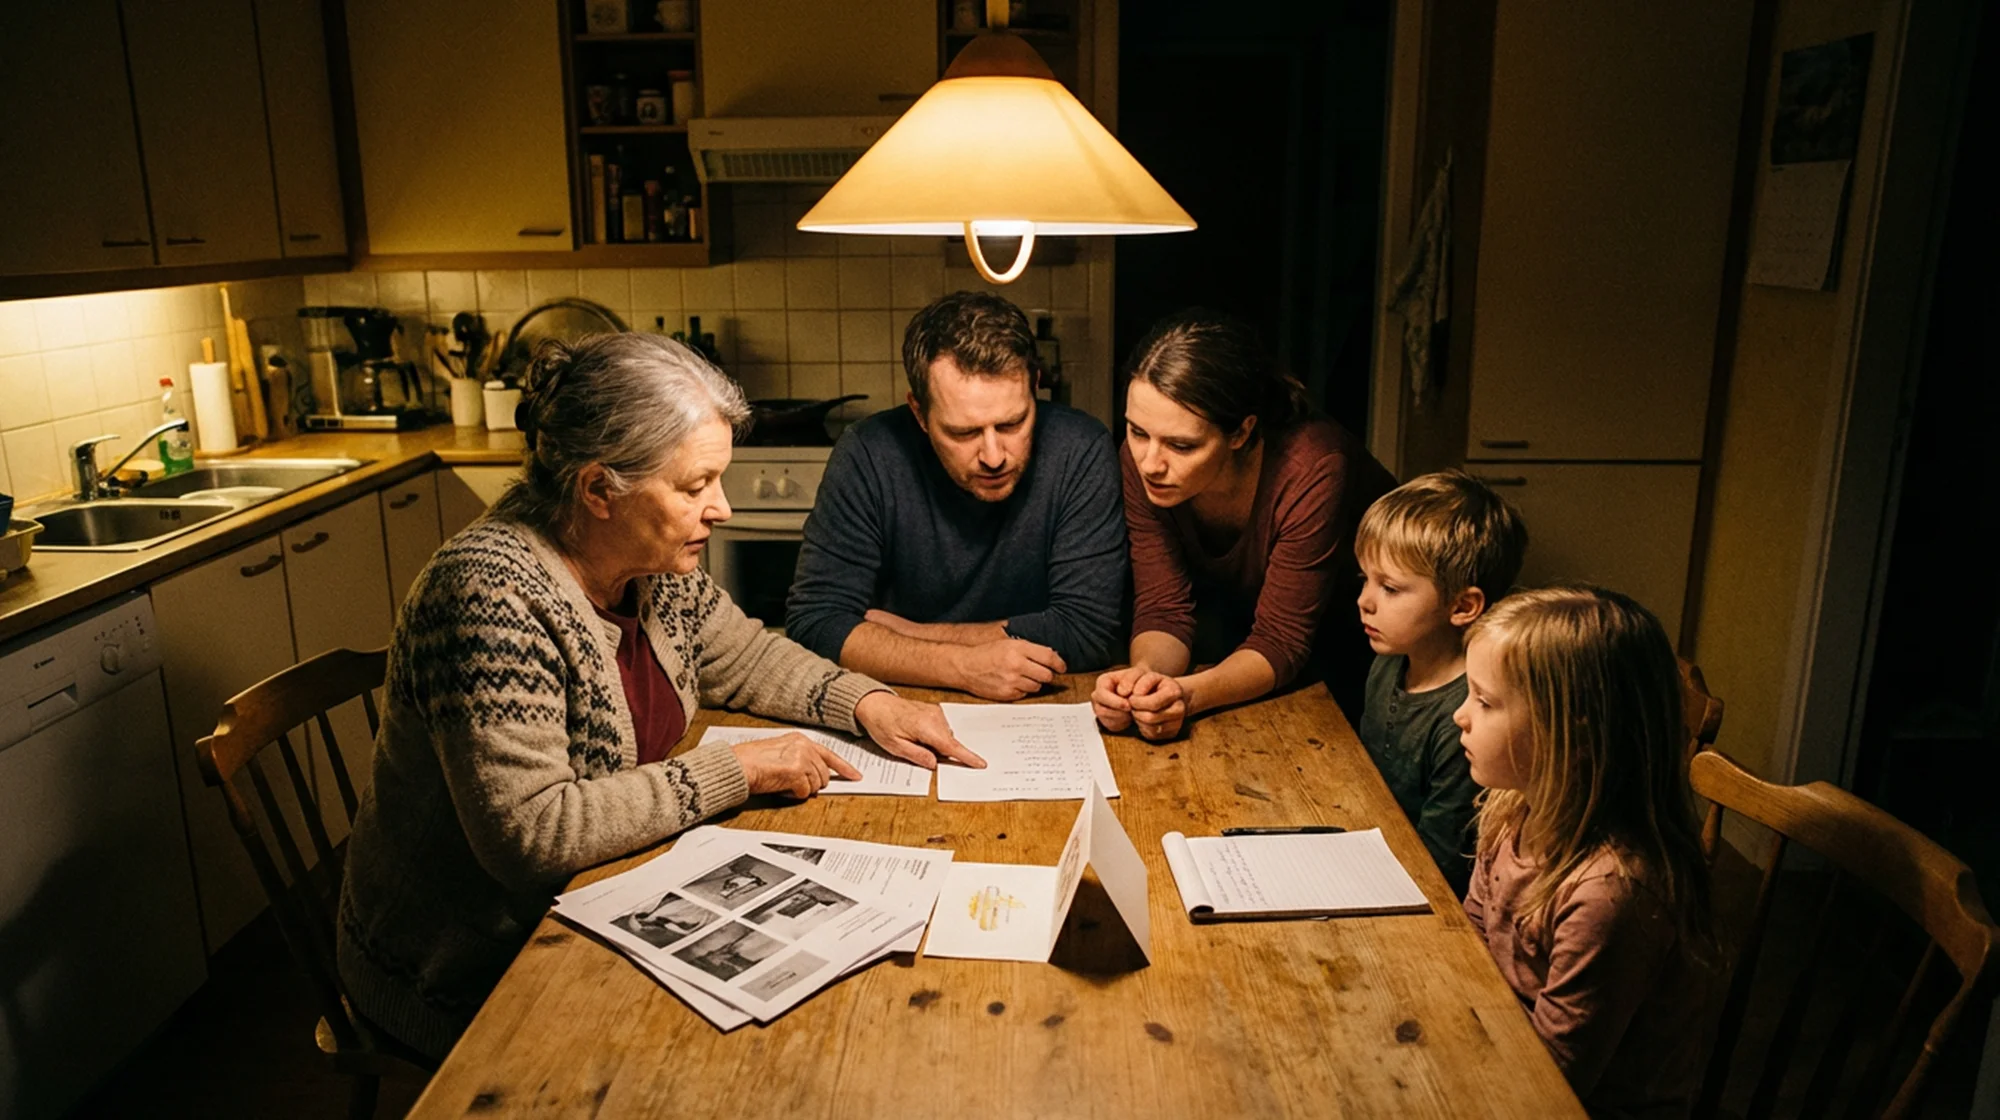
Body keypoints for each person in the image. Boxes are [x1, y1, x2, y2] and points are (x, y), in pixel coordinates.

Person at [337, 333, 983, 1060]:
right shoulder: (491, 595)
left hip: (600, 895)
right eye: (694, 485)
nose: (723, 509)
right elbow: (532, 834)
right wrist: (737, 770)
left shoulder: (651, 563)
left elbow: (746, 656)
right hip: (468, 965)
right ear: (598, 490)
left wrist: (869, 704)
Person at [785, 292, 1127, 700]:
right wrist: (960, 667)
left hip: (1048, 701)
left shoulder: (1081, 448)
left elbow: (1087, 631)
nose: (994, 456)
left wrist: (910, 635)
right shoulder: (868, 453)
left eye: (1013, 423)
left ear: (1036, 387)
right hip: (897, 704)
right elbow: (815, 622)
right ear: (919, 413)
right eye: (963, 432)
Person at [1456, 585, 1715, 1115]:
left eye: (1484, 701)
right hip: (1501, 1051)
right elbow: (1470, 946)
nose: (1461, 715)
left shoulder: (1611, 892)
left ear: (1571, 735)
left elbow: (1552, 1087)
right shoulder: (1511, 808)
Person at [1091, 310, 1396, 739]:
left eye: (1181, 445)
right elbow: (1164, 607)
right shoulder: (1141, 461)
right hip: (1254, 643)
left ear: (1241, 432)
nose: (1149, 463)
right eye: (1137, 432)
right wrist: (1140, 681)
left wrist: (1185, 695)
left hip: (1365, 650)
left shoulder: (1312, 468)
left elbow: (1281, 638)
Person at [1354, 471, 1528, 896]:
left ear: (1462, 605)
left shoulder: (1467, 716)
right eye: (1365, 580)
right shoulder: (1389, 662)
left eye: (1390, 588)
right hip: (1371, 855)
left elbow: (1441, 864)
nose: (1364, 601)